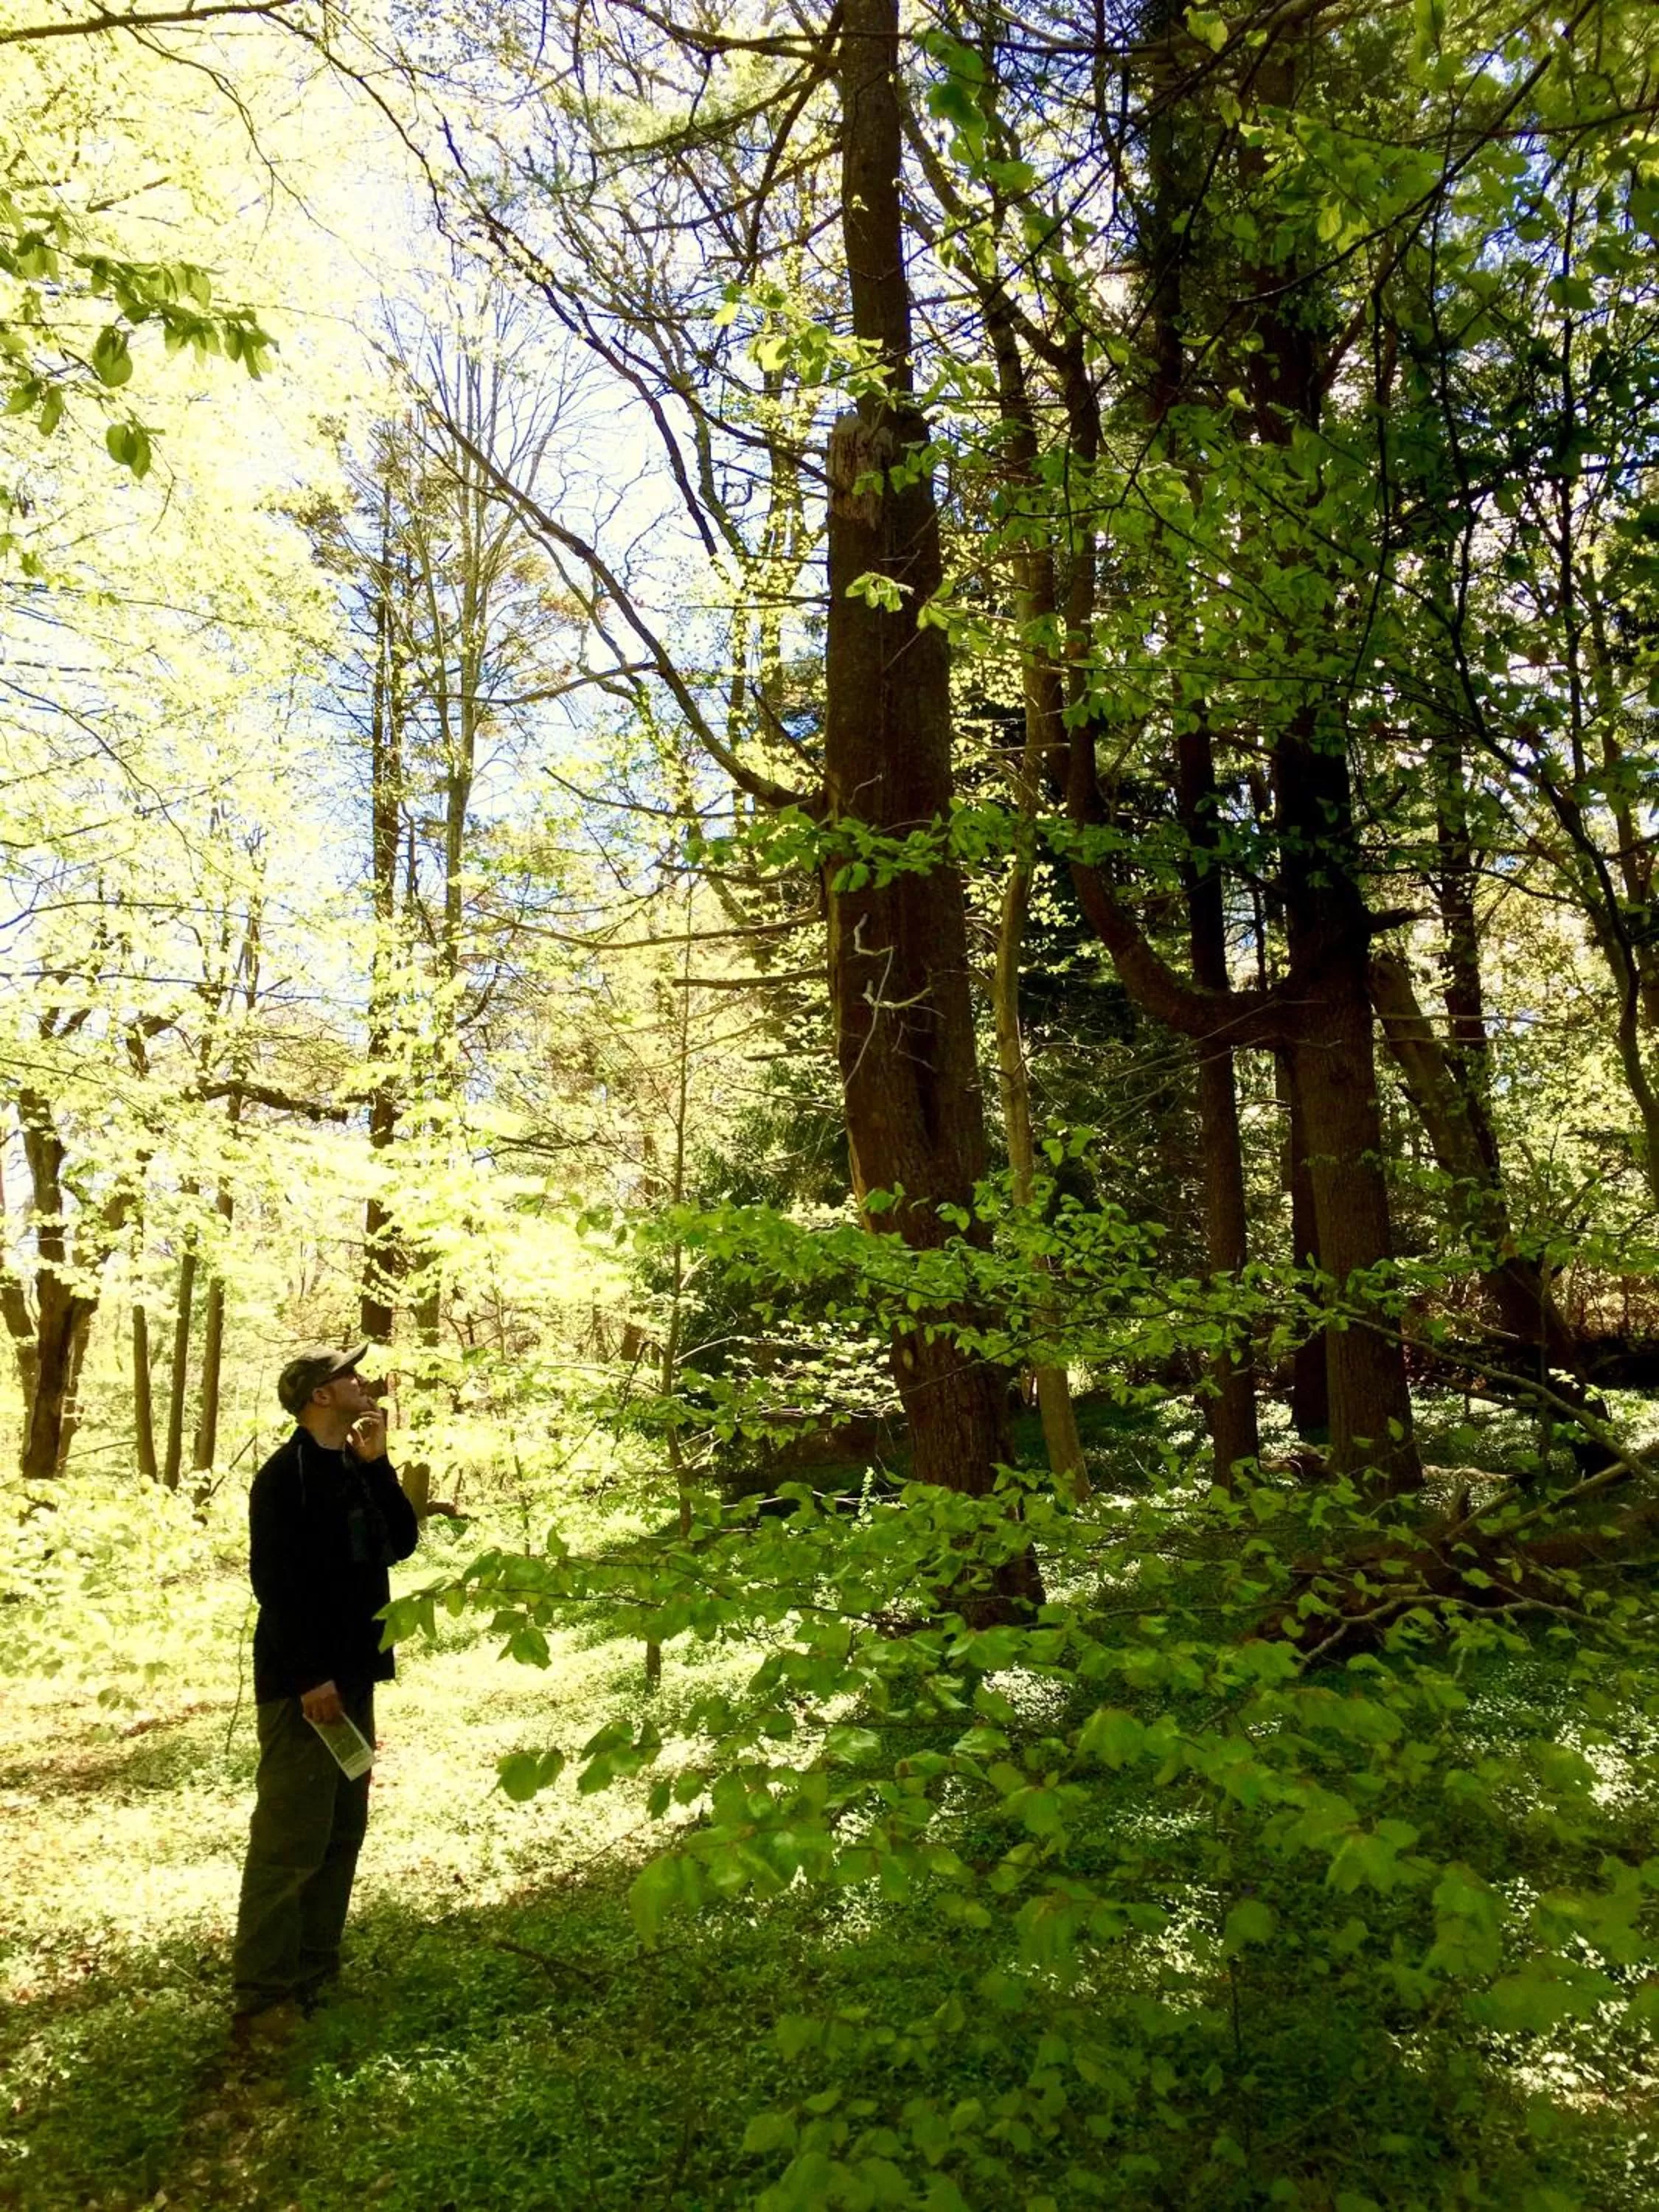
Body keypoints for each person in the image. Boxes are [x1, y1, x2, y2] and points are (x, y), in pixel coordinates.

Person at [229, 1343, 419, 2045]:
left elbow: (399, 1544)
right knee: (290, 1840)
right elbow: (273, 1585)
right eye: (349, 1375)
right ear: (319, 1398)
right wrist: (311, 1679)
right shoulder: (285, 1478)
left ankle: (315, 1973)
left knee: (341, 1829)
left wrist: (380, 1466)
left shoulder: (353, 1466)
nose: (362, 1380)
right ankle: (263, 1998)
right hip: (304, 1689)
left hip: (356, 1679)